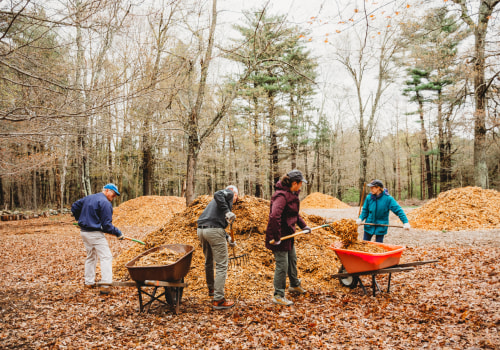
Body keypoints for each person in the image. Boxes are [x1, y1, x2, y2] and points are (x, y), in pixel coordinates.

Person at [265, 170, 311, 306]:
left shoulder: (292, 194)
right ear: (294, 183)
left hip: (289, 235)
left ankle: (294, 285)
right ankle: (278, 295)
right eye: (300, 183)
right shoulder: (281, 196)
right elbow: (274, 216)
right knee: (282, 265)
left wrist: (304, 226)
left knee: (292, 259)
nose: (301, 186)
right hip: (278, 237)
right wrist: (277, 237)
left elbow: (294, 215)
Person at [71, 183, 124, 294]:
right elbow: (107, 226)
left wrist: (80, 218)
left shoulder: (90, 197)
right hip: (94, 233)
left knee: (91, 256)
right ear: (107, 191)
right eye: (113, 194)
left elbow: (75, 206)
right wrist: (118, 233)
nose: (113, 197)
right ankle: (106, 284)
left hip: (84, 232)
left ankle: (89, 282)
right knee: (106, 257)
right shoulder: (105, 203)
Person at [197, 185, 238, 310]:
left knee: (209, 261)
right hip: (213, 231)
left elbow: (214, 222)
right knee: (222, 265)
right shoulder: (229, 193)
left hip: (201, 230)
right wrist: (228, 211)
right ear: (235, 194)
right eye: (237, 197)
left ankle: (212, 289)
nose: (235, 200)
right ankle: (219, 299)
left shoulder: (215, 204)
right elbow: (217, 193)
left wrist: (227, 237)